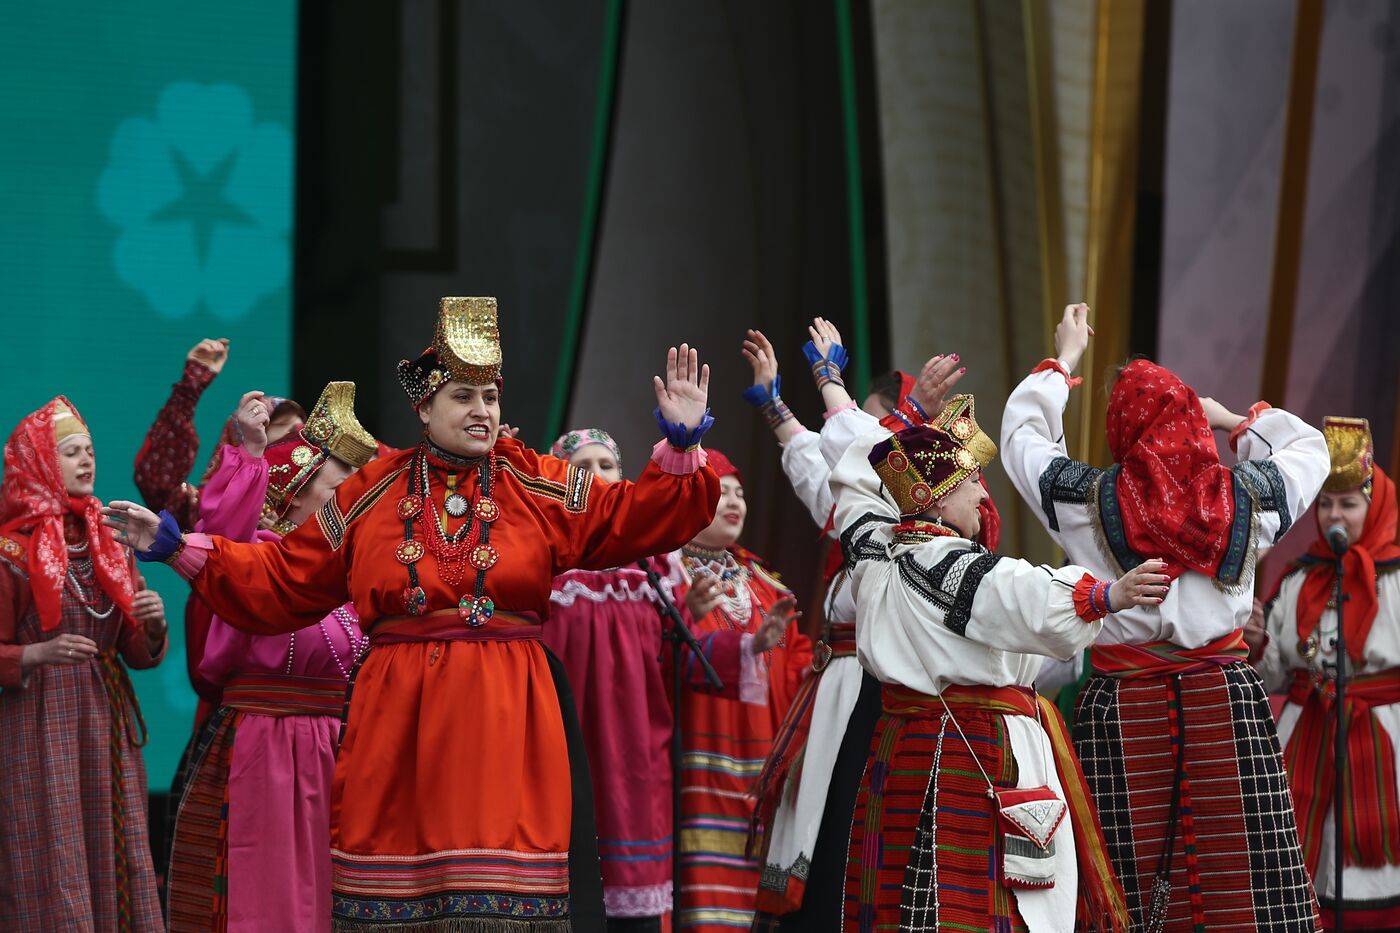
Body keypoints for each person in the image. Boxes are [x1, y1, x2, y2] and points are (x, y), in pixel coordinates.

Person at [107, 296, 720, 932]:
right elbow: (283, 577)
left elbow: (637, 516)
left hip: (507, 718)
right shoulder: (370, 493)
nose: (482, 412)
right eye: (463, 396)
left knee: (501, 900)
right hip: (398, 725)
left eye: (491, 397)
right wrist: (178, 546)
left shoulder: (536, 484)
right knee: (396, 902)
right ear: (424, 408)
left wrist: (680, 441)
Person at [1001, 303, 1329, 930]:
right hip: (1223, 702)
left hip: (1125, 708)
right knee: (1243, 885)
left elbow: (1021, 440)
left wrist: (1063, 360)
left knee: (1123, 880)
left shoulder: (1086, 499)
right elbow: (1308, 448)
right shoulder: (1248, 498)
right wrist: (1233, 419)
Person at [831, 389, 1147, 932]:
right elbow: (1023, 595)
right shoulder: (947, 563)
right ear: (938, 498)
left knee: (906, 901)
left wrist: (856, 403)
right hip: (969, 746)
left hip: (903, 743)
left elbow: (856, 491)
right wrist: (1107, 596)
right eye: (971, 480)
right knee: (975, 906)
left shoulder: (873, 553)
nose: (982, 492)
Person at [739, 319, 978, 930]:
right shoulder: (859, 508)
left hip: (884, 685)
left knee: (859, 821)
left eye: (885, 425)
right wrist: (773, 402)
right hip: (840, 681)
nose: (849, 445)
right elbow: (822, 461)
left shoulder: (930, 515)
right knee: (818, 818)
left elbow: (859, 454)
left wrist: (836, 384)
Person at [165, 384, 374, 932]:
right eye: (335, 493)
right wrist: (252, 452)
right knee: (268, 896)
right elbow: (221, 542)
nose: (346, 505)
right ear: (294, 499)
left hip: (336, 752)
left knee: (334, 897)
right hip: (266, 750)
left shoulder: (347, 579)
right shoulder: (257, 560)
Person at [0, 397, 169, 931]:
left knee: (113, 847)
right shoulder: (12, 551)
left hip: (102, 721)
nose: (87, 461)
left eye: (90, 450)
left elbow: (136, 652)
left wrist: (154, 623)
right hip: (35, 724)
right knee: (49, 851)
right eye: (70, 452)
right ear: (41, 463)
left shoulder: (110, 541)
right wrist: (35, 653)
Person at [1251, 417, 1400, 930]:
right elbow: (1271, 675)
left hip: (1382, 748)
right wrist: (1255, 644)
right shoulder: (1297, 581)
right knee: (1298, 877)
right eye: (1326, 503)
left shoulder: (1399, 581)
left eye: (1349, 504)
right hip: (1304, 741)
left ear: (1374, 506)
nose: (1335, 515)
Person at [542, 428, 680, 930]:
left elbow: (680, 665)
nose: (598, 477)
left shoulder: (654, 568)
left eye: (608, 465)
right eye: (584, 466)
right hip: (560, 748)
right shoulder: (540, 561)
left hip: (634, 756)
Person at [670, 447, 812, 932]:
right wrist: (684, 612)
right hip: (697, 766)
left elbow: (798, 672)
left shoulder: (770, 589)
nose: (734, 501)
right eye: (719, 492)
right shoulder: (663, 575)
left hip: (760, 771)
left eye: (739, 493)